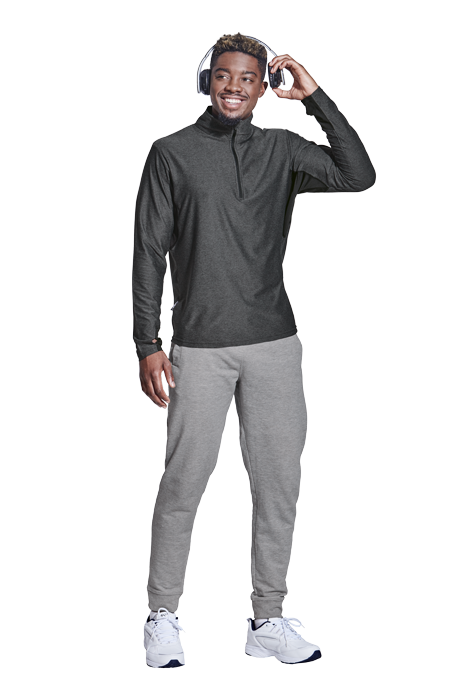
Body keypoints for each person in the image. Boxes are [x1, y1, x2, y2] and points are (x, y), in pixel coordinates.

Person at [133, 32, 375, 668]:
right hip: (199, 348)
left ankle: (267, 618)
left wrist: (315, 96)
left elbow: (359, 174)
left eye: (247, 77)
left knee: (278, 485)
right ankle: (161, 613)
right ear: (207, 81)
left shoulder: (282, 150)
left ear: (264, 86)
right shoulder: (171, 154)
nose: (233, 87)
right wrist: (146, 343)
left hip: (274, 345)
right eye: (223, 75)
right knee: (184, 481)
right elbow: (148, 252)